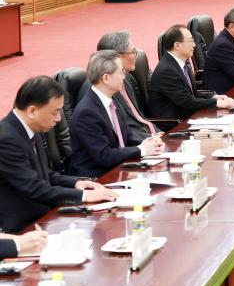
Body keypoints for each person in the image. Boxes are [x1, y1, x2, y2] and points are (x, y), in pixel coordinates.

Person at [0, 76, 116, 232]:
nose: (59, 118)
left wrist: (75, 183)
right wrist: (84, 196)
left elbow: (44, 174)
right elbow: (34, 187)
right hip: (22, 228)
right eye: (54, 112)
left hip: (45, 216)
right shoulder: (6, 139)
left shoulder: (31, 127)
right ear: (32, 111)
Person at [69, 51, 164, 178]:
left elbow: (126, 137)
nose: (124, 77)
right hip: (98, 178)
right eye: (121, 72)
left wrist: (150, 142)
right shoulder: (87, 113)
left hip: (119, 167)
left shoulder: (110, 101)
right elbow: (104, 156)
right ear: (106, 78)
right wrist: (142, 149)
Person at [78, 31, 159, 141]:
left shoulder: (126, 79)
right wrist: (148, 142)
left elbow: (138, 119)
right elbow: (119, 130)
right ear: (117, 56)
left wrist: (160, 135)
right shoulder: (99, 88)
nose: (136, 55)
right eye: (133, 52)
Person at [149, 25, 234, 127]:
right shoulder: (167, 71)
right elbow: (186, 101)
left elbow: (191, 94)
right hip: (174, 125)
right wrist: (216, 103)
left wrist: (214, 96)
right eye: (191, 41)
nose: (194, 45)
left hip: (186, 116)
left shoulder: (181, 64)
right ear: (177, 45)